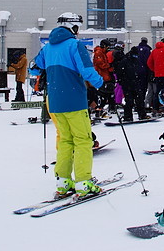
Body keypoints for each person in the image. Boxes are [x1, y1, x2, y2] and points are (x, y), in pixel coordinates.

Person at [33, 12, 104, 198]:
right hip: (74, 100)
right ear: (72, 27)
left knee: (65, 140)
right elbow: (87, 71)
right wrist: (102, 84)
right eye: (77, 28)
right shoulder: (75, 45)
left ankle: (63, 181)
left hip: (55, 102)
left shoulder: (48, 47)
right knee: (83, 140)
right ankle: (83, 182)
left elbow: (34, 66)